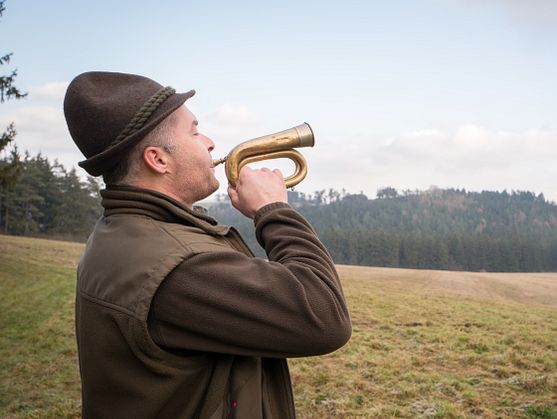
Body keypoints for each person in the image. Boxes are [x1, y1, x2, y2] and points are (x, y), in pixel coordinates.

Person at [63, 71, 352, 418]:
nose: (211, 142)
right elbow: (326, 317)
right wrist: (273, 210)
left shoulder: (122, 230)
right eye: (195, 131)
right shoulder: (177, 266)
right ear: (158, 160)